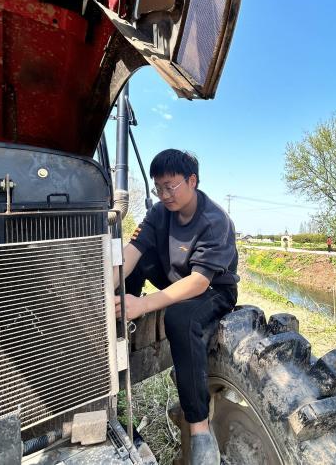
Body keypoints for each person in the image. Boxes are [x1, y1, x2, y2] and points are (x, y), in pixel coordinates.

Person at [115, 149, 238, 464]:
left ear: (192, 181)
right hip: (173, 278)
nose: (165, 194)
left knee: (180, 318)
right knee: (132, 265)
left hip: (211, 288)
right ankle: (118, 332)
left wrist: (143, 304)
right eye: (159, 187)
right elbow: (132, 250)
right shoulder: (159, 212)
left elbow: (197, 283)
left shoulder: (215, 220)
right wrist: (103, 285)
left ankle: (198, 426)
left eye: (171, 186)